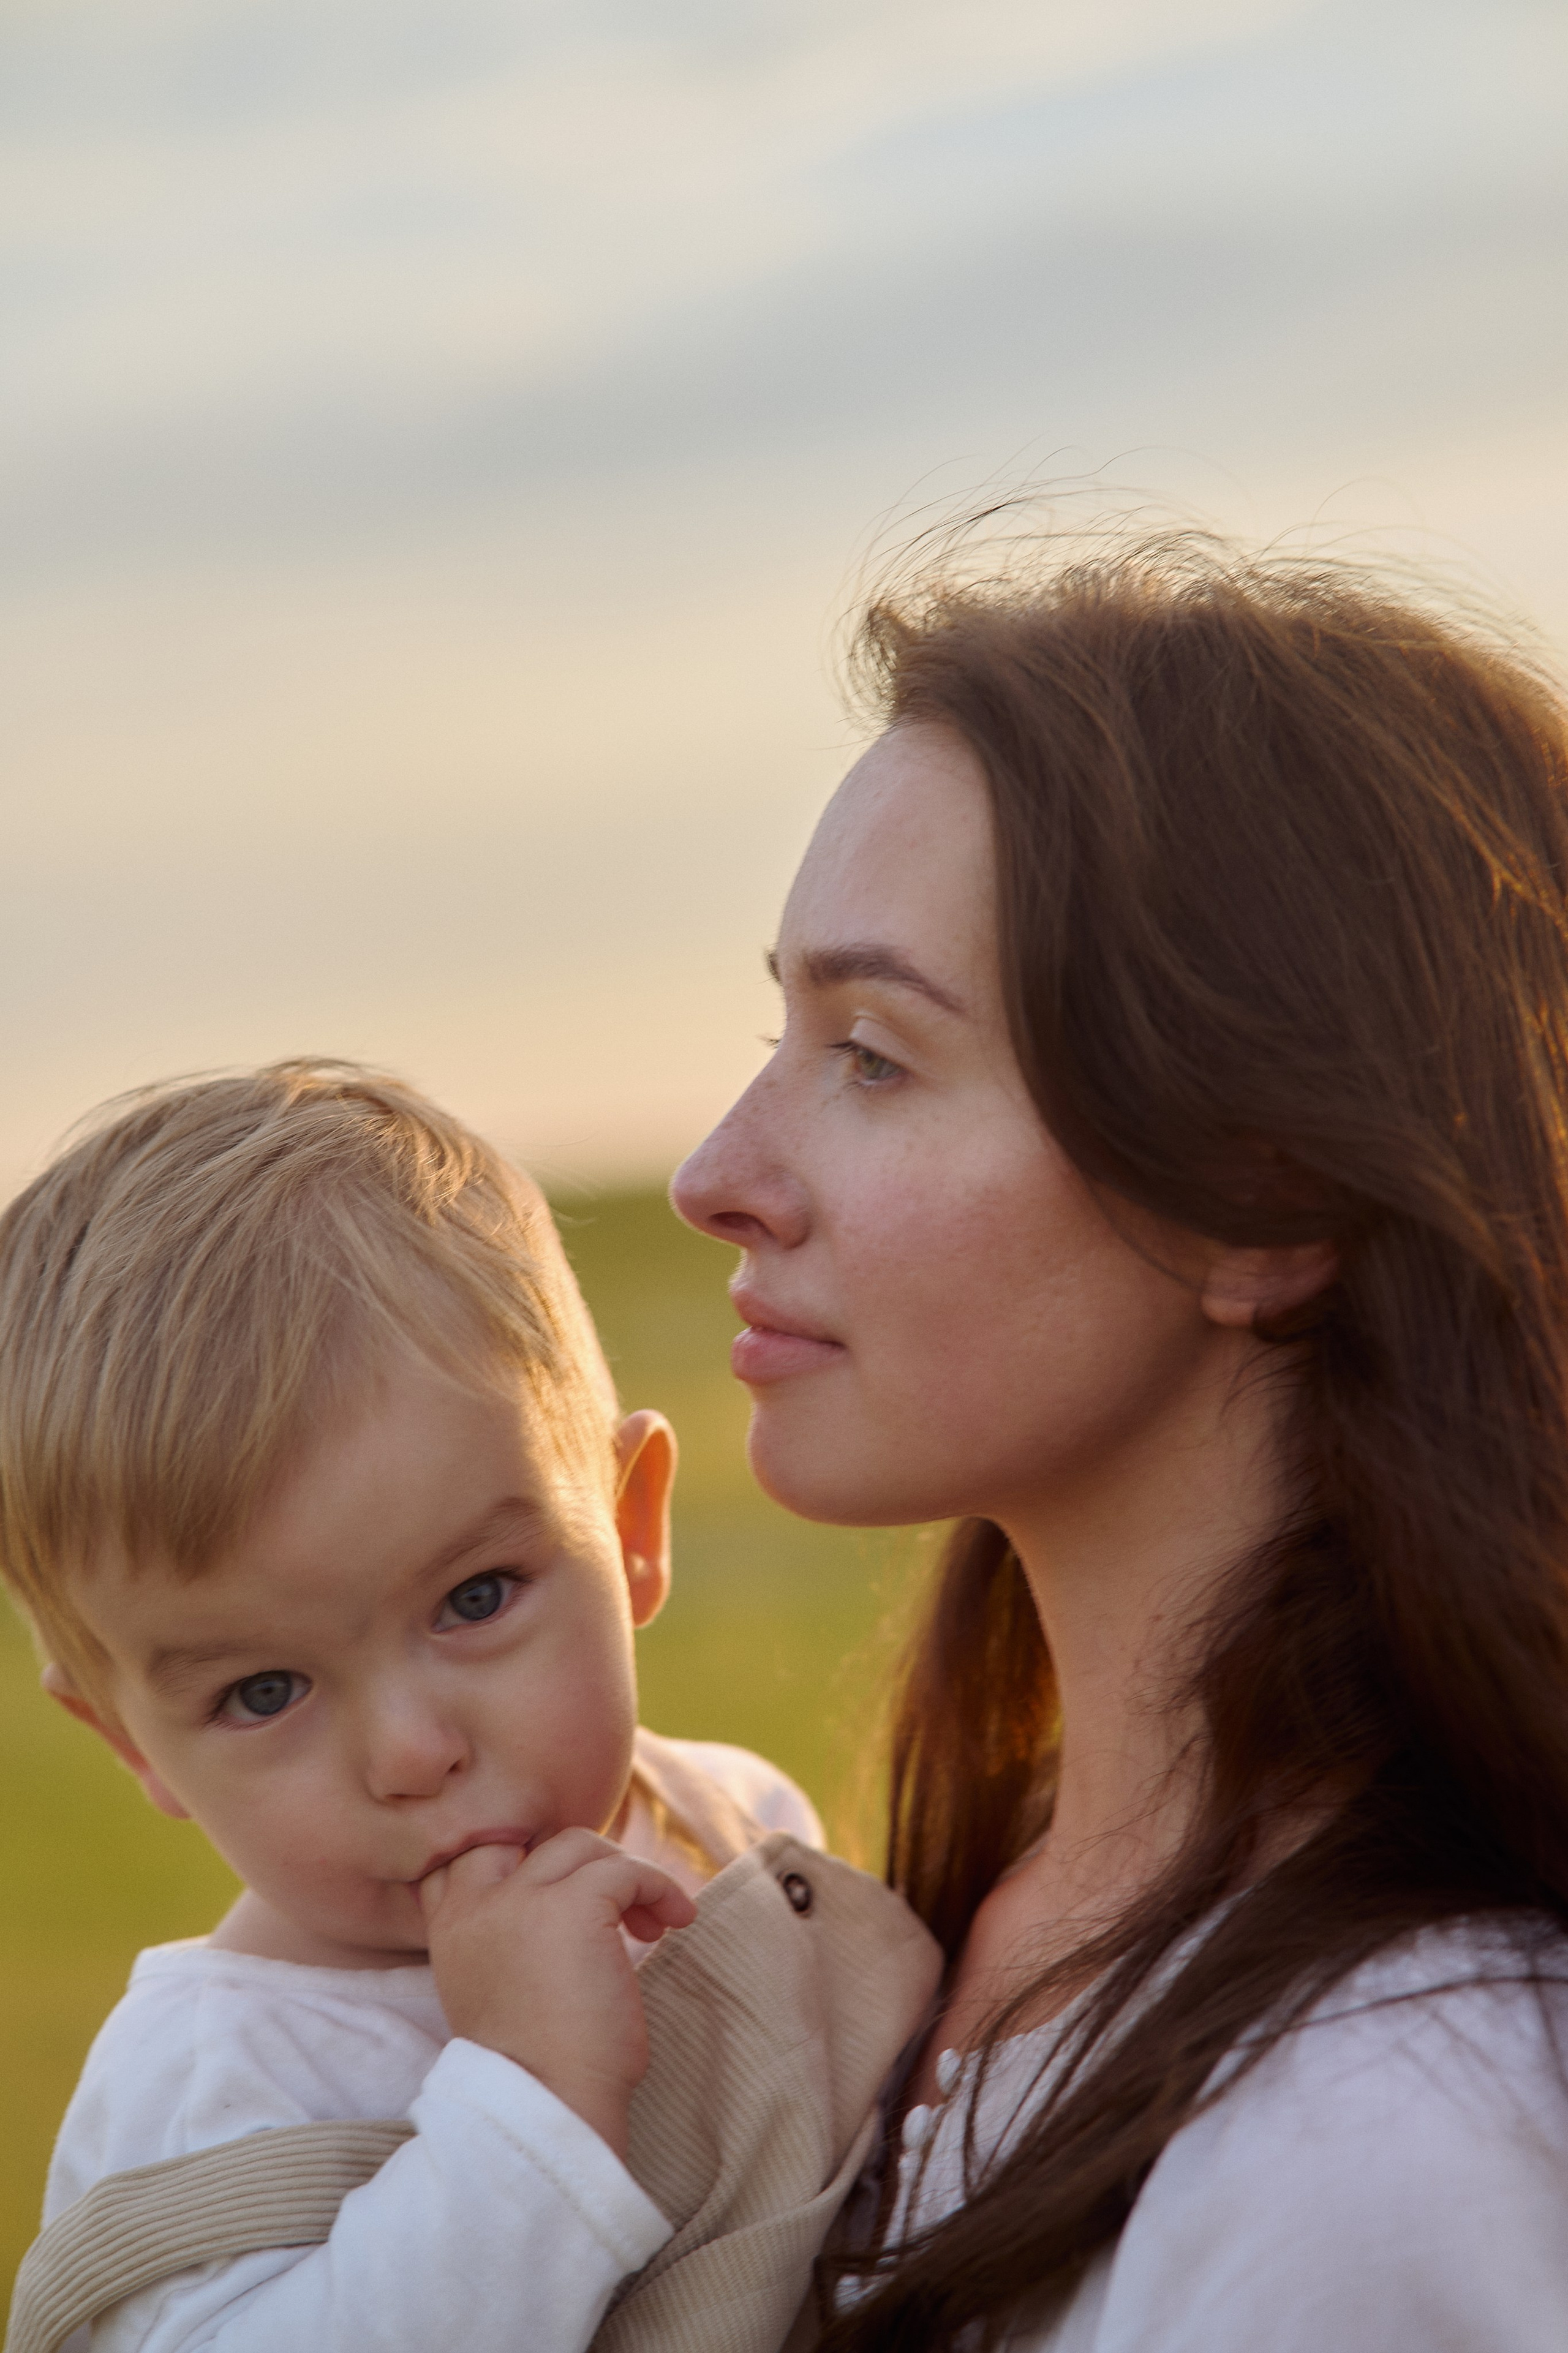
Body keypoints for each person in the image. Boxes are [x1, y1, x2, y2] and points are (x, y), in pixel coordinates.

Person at [671, 529, 1568, 2349]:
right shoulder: (961, 1928)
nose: (716, 1176)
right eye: (785, 1031)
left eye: (873, 1055)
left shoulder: (1382, 2139)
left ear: (1261, 1196)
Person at [0, 1060, 846, 2353]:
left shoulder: (733, 1826)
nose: (410, 1751)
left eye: (474, 1598)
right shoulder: (215, 2084)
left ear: (629, 1530)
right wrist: (528, 2094)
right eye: (263, 1690)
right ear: (132, 1741)